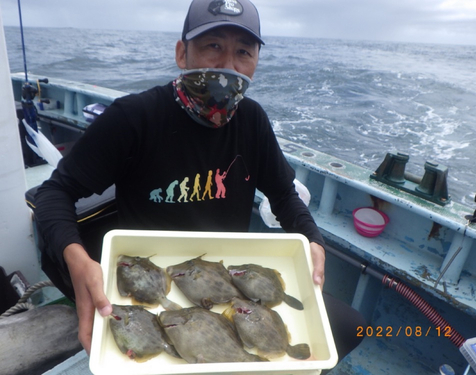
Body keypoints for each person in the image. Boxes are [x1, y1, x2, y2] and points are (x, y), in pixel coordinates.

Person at [34, 0, 365, 365]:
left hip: (228, 282)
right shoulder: (134, 118)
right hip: (150, 283)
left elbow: (284, 195)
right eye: (213, 46)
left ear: (256, 61)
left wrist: (312, 241)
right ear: (181, 52)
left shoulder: (252, 121)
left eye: (243, 51)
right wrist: (78, 259)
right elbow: (55, 193)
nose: (228, 66)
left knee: (350, 326)